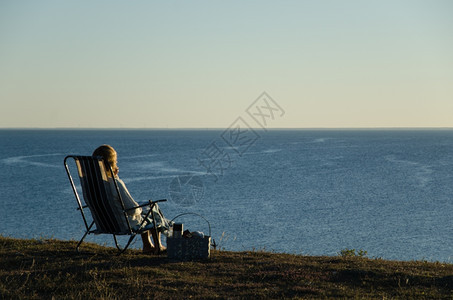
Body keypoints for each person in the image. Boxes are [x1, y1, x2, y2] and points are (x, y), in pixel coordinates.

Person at [92, 144, 169, 254]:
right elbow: (133, 209)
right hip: (123, 223)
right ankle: (158, 246)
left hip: (104, 222)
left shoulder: (93, 185)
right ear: (112, 164)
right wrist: (116, 177)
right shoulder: (115, 183)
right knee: (152, 207)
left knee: (146, 206)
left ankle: (148, 245)